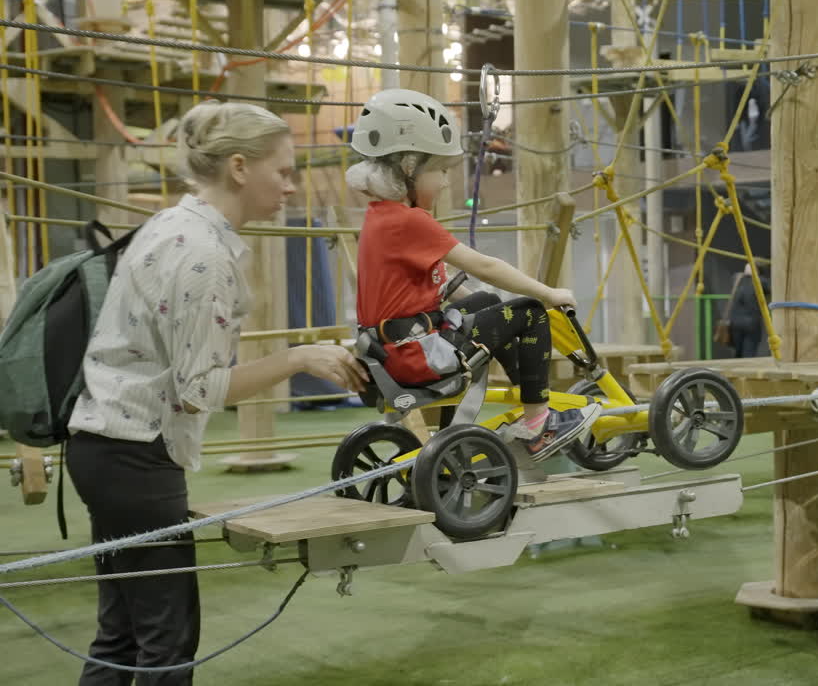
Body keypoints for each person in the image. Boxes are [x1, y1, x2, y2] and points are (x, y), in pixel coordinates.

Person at [64, 101, 367, 685]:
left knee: (123, 635)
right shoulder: (203, 255)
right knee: (167, 643)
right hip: (134, 455)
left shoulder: (169, 226)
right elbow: (200, 390)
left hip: (105, 447)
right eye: (281, 170)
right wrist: (300, 358)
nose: (290, 185)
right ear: (237, 167)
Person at [346, 88, 600, 461]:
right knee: (529, 312)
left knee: (488, 303)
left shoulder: (380, 217)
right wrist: (549, 293)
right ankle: (537, 425)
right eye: (441, 171)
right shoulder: (410, 221)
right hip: (417, 354)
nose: (446, 182)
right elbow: (484, 265)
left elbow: (421, 289)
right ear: (409, 166)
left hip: (395, 347)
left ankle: (525, 389)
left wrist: (480, 310)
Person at [726, 264, 770, 358]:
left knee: (738, 352)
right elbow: (768, 289)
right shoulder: (760, 281)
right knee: (749, 352)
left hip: (736, 322)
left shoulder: (737, 279)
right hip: (751, 323)